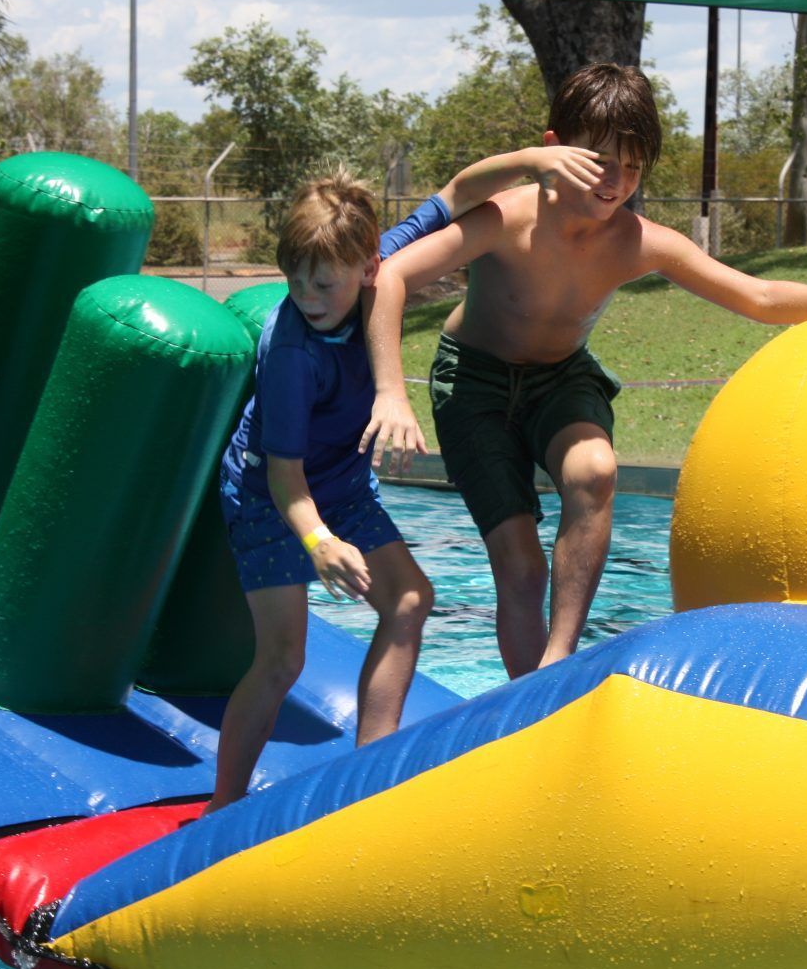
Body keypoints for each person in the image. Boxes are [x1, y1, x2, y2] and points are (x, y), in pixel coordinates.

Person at [376, 63, 807, 681]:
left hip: (560, 378)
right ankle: (527, 702)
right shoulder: (506, 217)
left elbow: (757, 298)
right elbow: (391, 276)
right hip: (474, 384)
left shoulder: (638, 240)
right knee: (520, 568)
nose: (615, 182)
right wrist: (392, 391)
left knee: (596, 470)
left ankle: (558, 663)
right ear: (554, 151)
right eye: (601, 161)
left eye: (632, 168)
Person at [206, 144, 606, 814]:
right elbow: (284, 478)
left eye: (324, 284)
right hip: (268, 497)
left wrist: (538, 159)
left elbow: (459, 188)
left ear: (368, 269)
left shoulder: (380, 260)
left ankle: (367, 778)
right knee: (282, 660)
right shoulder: (291, 353)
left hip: (340, 482)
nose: (308, 298)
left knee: (410, 600)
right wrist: (318, 543)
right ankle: (222, 804)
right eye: (295, 281)